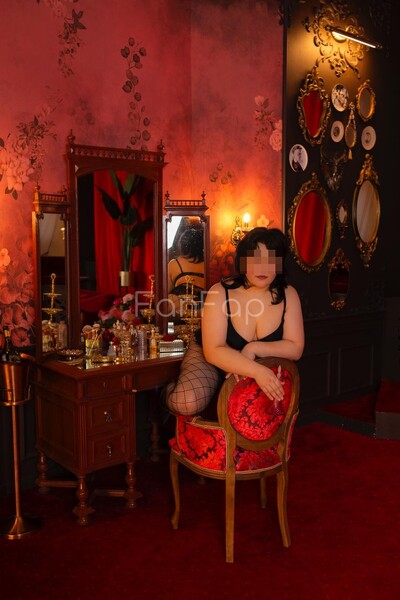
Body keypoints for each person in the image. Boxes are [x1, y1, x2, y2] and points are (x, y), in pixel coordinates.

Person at [202, 227, 304, 402]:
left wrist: (253, 348)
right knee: (186, 400)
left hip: (262, 377)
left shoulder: (289, 295)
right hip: (215, 367)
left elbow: (296, 348)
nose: (262, 268)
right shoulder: (219, 292)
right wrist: (257, 371)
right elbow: (213, 351)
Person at [168, 228, 205, 303]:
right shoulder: (208, 264)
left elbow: (164, 292)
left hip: (179, 305)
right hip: (203, 305)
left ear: (182, 245)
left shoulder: (174, 264)